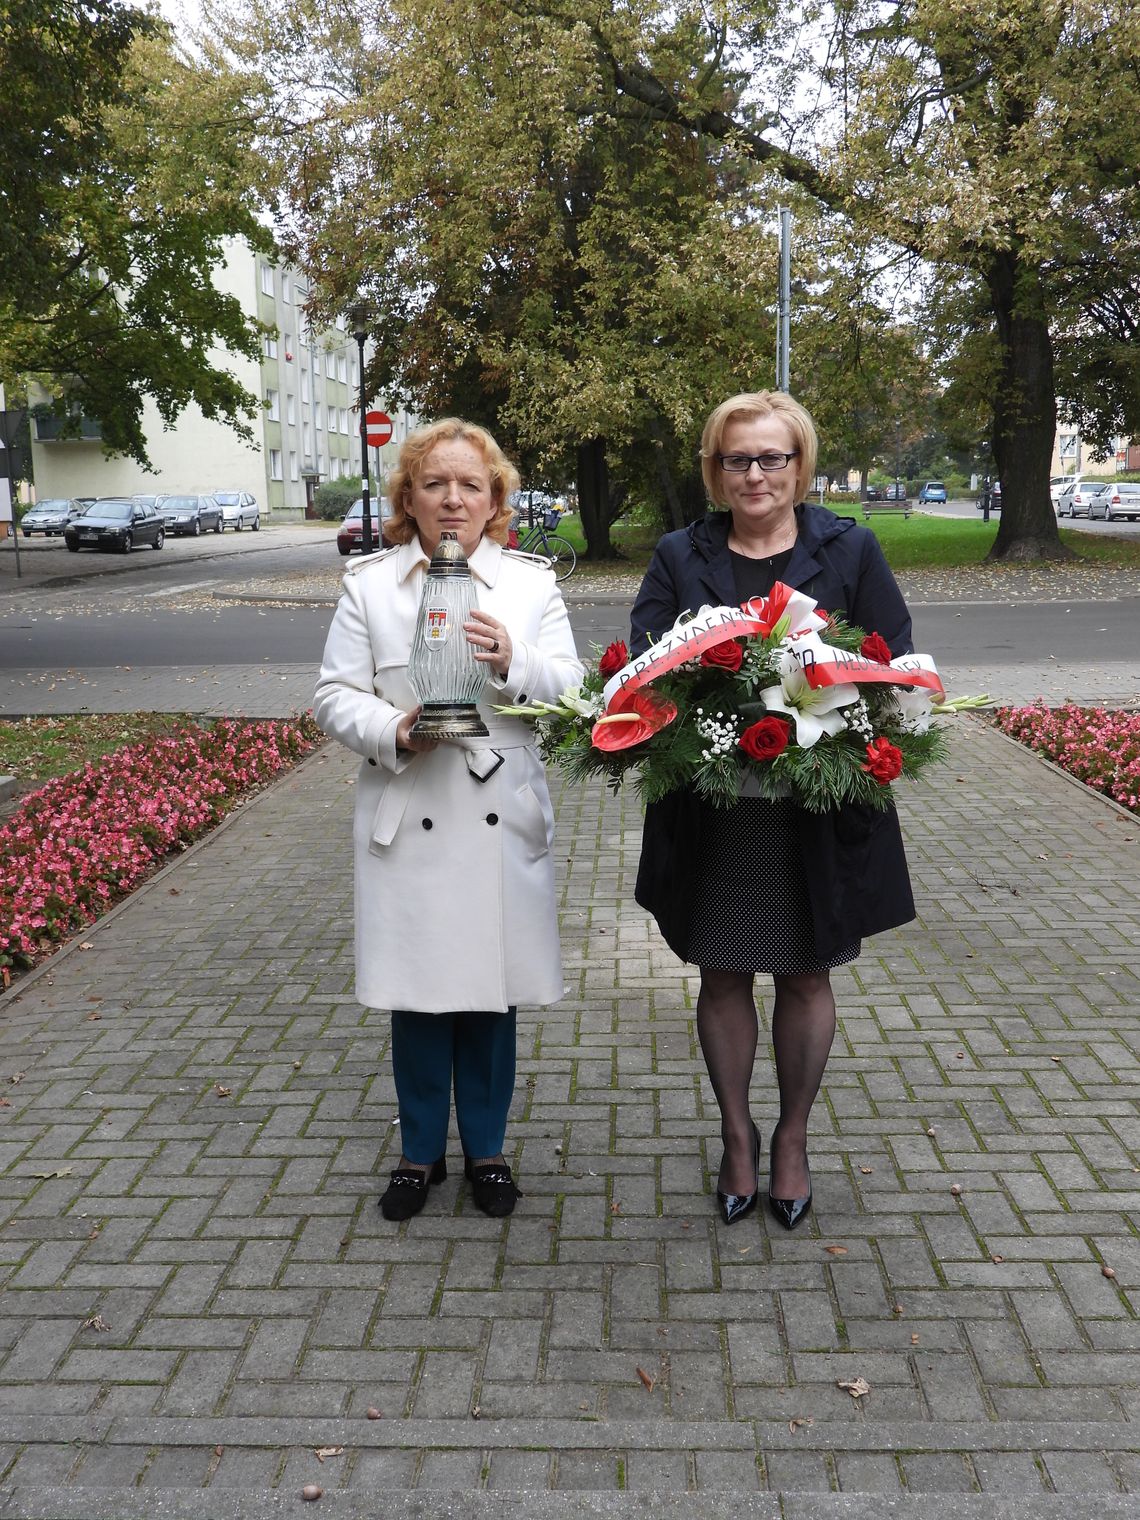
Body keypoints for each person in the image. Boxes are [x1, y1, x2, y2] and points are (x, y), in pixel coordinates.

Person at [630, 391, 916, 1229]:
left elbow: (889, 655)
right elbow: (647, 662)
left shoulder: (850, 547)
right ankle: (735, 1136)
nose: (755, 475)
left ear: (800, 466)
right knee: (722, 971)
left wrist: (826, 679)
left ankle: (791, 1138)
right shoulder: (681, 555)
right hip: (717, 806)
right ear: (715, 472)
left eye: (772, 458)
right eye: (737, 460)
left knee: (806, 970)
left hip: (815, 807)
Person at [314, 419, 583, 1221]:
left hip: (499, 807)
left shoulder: (531, 585)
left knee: (491, 996)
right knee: (420, 994)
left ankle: (489, 1153)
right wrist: (394, 730)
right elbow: (333, 694)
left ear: (496, 499)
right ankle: (419, 1154)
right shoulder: (370, 585)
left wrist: (514, 660)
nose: (453, 499)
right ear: (409, 498)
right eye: (435, 484)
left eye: (471, 485)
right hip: (413, 804)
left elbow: (571, 688)